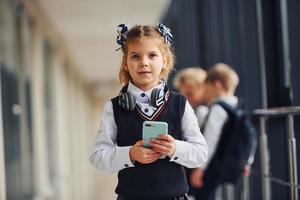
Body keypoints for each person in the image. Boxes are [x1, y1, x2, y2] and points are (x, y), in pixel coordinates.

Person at [89, 23, 208, 200]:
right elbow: (97, 157)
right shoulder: (113, 108)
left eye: (152, 55)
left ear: (165, 61)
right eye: (135, 56)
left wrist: (175, 148)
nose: (144, 62)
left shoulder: (180, 104)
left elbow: (201, 154)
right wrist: (129, 154)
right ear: (126, 63)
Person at [190, 63, 240, 200]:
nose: (206, 92)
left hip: (211, 166)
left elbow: (210, 139)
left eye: (207, 87)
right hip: (226, 162)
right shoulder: (235, 107)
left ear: (216, 85)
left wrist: (200, 168)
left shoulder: (218, 109)